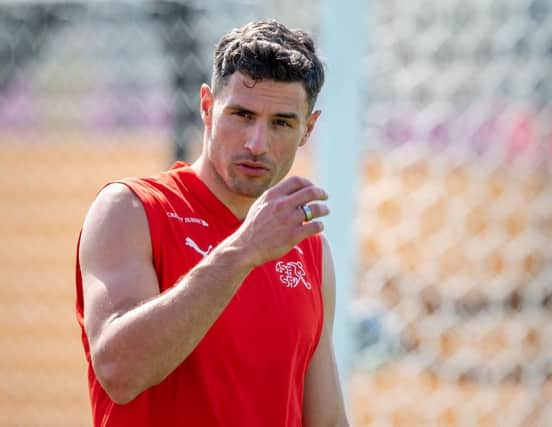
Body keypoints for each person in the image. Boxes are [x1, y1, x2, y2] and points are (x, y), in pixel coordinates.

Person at [75, 19, 349, 427]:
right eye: (241, 114)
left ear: (307, 129)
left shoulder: (305, 244)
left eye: (281, 123)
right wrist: (242, 251)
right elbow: (120, 371)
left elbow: (324, 419)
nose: (256, 144)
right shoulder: (133, 210)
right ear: (207, 107)